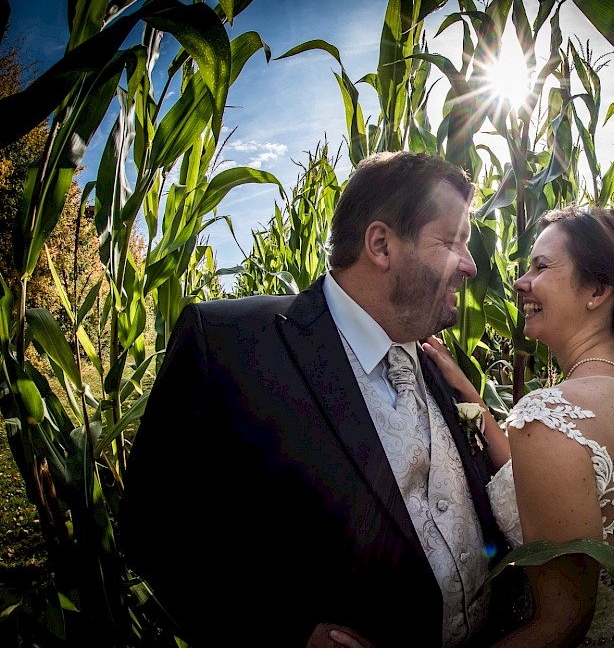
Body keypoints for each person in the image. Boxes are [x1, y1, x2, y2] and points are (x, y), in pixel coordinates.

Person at [118, 152, 514, 647]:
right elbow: (154, 528)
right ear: (381, 244)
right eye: (452, 240)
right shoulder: (229, 344)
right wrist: (285, 633)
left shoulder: (439, 361)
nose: (471, 264)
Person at [422, 206, 614, 646]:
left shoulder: (551, 414)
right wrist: (464, 387)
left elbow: (561, 624)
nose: (521, 282)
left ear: (597, 289)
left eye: (540, 267)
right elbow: (542, 472)